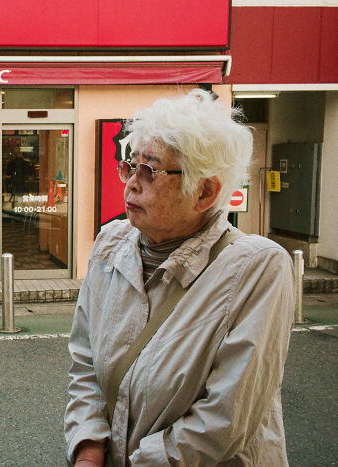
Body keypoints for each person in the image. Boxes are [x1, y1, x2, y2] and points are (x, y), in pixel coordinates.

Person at [64, 90, 294, 466]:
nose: (131, 184)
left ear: (205, 192)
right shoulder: (111, 243)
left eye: (150, 171)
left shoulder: (257, 268)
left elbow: (224, 421)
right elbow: (86, 363)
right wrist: (88, 448)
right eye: (130, 165)